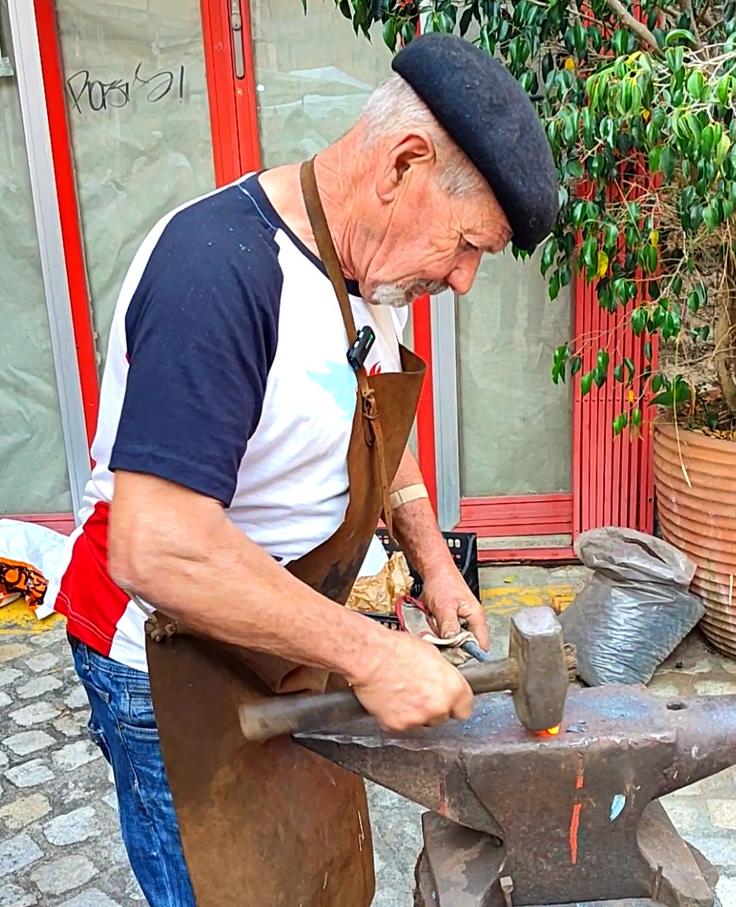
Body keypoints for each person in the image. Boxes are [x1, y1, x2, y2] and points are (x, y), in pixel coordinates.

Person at [51, 32, 557, 907]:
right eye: (470, 244)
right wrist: (369, 653)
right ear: (404, 164)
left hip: (292, 643)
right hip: (170, 665)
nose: (468, 280)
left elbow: (371, 426)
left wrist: (435, 566)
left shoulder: (368, 275)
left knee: (314, 874)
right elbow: (157, 547)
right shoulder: (217, 274)